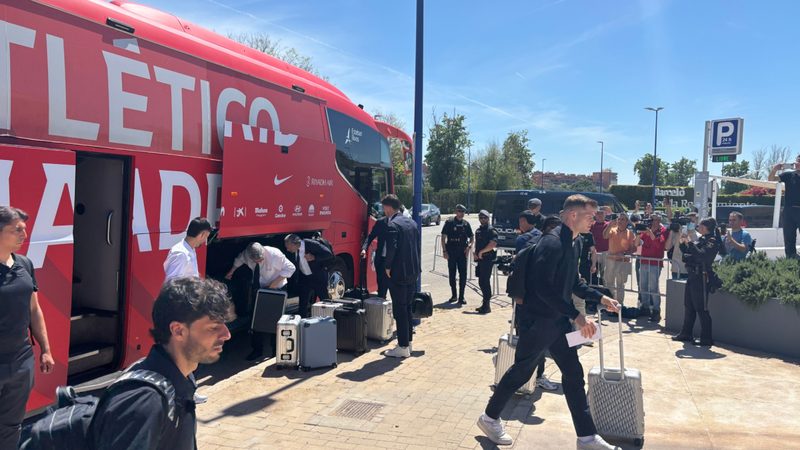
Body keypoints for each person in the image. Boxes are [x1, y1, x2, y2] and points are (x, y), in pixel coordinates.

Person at [477, 195, 622, 449]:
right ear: (573, 215)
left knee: (573, 374)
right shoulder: (552, 243)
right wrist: (577, 316)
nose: (595, 220)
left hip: (556, 323)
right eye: (590, 216)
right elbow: (543, 288)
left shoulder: (575, 242)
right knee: (521, 372)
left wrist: (601, 298)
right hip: (538, 321)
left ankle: (587, 437)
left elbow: (573, 283)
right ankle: (489, 418)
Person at [90, 277, 234, 449]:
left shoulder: (183, 379)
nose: (227, 334)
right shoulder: (144, 401)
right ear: (178, 331)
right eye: (214, 327)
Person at [0, 207, 54, 449]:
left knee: (11, 424)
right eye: (17, 230)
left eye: (24, 229)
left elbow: (34, 309)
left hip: (21, 361)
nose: (24, 235)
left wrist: (45, 348)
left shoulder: (24, 264)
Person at [225, 242, 296, 361]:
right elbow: (239, 260)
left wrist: (272, 285)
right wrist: (231, 272)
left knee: (275, 320)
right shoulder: (247, 254)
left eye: (260, 259)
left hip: (276, 288)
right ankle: (257, 350)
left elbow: (290, 268)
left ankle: (275, 350)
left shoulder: (275, 254)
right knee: (256, 320)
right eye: (255, 260)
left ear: (263, 252)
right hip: (259, 289)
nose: (258, 262)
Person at [382, 194, 421, 358]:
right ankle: (408, 343)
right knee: (407, 309)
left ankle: (403, 346)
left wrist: (388, 267)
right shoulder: (411, 223)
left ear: (389, 208)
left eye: (384, 208)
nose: (384, 211)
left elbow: (391, 249)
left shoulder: (393, 225)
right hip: (413, 272)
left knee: (400, 309)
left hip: (398, 274)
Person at [671, 218, 721, 347]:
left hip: (702, 277)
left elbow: (702, 256)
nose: (698, 227)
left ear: (706, 227)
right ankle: (686, 333)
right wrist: (683, 244)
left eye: (700, 225)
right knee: (689, 306)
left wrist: (691, 246)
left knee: (701, 308)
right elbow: (688, 254)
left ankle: (706, 338)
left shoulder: (712, 241)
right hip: (692, 275)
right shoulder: (702, 239)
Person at [284, 234, 334, 318]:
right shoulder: (294, 251)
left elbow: (328, 254)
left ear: (294, 244)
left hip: (318, 277)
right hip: (305, 278)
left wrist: (314, 257)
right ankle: (303, 322)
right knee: (302, 303)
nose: (287, 249)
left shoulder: (310, 244)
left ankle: (330, 319)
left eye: (288, 247)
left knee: (325, 300)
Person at [636, 214, 668, 322]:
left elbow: (659, 244)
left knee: (653, 287)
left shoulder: (662, 230)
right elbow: (637, 244)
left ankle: (656, 310)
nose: (653, 222)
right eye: (652, 220)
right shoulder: (646, 231)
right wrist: (638, 233)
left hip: (655, 262)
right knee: (643, 285)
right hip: (644, 261)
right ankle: (645, 308)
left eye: (655, 220)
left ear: (659, 221)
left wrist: (650, 233)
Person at [441, 204, 473, 305]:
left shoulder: (466, 224)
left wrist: (469, 246)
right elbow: (443, 238)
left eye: (463, 212)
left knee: (463, 275)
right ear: (456, 212)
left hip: (462, 253)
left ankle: (461, 297)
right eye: (459, 211)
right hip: (451, 251)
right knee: (452, 274)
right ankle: (454, 295)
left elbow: (471, 237)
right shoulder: (449, 222)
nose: (461, 213)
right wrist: (444, 251)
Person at [769, 155, 800, 258]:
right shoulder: (788, 175)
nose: (797, 164)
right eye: (797, 161)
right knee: (789, 237)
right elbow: (771, 179)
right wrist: (774, 169)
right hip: (789, 210)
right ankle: (790, 259)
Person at [602, 213, 636, 305]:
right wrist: (609, 225)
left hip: (623, 262)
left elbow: (634, 248)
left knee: (621, 285)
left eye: (623, 219)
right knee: (609, 283)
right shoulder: (612, 230)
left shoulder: (630, 233)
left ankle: (619, 305)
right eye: (619, 219)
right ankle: (610, 304)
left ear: (627, 222)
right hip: (611, 260)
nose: (620, 221)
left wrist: (625, 253)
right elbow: (605, 236)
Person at [474, 210, 498, 314]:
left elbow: (493, 244)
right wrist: (476, 253)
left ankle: (487, 305)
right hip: (480, 259)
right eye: (481, 218)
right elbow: (478, 244)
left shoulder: (491, 230)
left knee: (485, 282)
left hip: (488, 259)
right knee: (481, 281)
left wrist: (482, 252)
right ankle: (484, 303)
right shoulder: (479, 230)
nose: (483, 220)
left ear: (488, 218)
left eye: (485, 218)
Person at [361, 215, 391, 298]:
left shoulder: (400, 223)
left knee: (393, 285)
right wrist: (364, 249)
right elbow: (371, 236)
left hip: (393, 260)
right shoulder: (381, 222)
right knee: (381, 284)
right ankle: (382, 301)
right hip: (381, 258)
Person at [589, 207, 610, 285]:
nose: (600, 215)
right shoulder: (591, 225)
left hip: (606, 252)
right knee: (593, 274)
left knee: (604, 275)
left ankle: (606, 291)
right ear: (595, 215)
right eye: (598, 213)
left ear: (605, 215)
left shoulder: (608, 225)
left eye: (602, 213)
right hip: (594, 252)